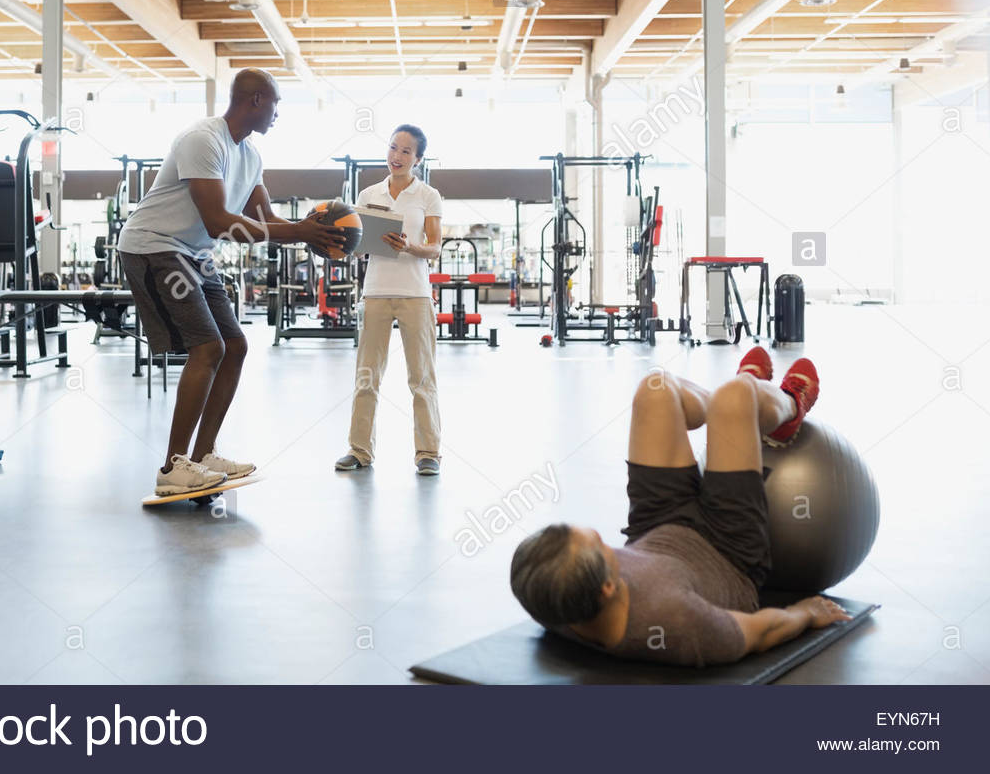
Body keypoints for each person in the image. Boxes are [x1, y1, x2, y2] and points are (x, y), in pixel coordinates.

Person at [509, 348, 849, 667]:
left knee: (654, 390)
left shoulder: (548, 593)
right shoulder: (676, 622)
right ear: (608, 588)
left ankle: (738, 404)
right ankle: (786, 404)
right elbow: (759, 633)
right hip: (726, 549)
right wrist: (806, 614)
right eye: (597, 544)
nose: (601, 535)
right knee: (736, 398)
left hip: (654, 527)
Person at [118, 69, 347, 496]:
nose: (278, 113)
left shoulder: (251, 155)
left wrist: (309, 230)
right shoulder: (202, 140)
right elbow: (220, 222)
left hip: (193, 254)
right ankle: (172, 468)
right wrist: (297, 232)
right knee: (208, 347)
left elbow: (268, 220)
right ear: (257, 100)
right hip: (153, 247)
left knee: (235, 346)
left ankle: (204, 455)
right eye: (276, 103)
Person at [336, 125, 444, 476]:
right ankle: (359, 450)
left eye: (406, 152)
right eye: (393, 148)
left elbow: (436, 248)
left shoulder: (428, 195)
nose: (396, 157)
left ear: (418, 159)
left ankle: (428, 452)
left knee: (421, 378)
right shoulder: (367, 194)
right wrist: (348, 245)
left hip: (415, 294)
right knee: (366, 376)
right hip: (376, 292)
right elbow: (354, 242)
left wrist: (409, 247)